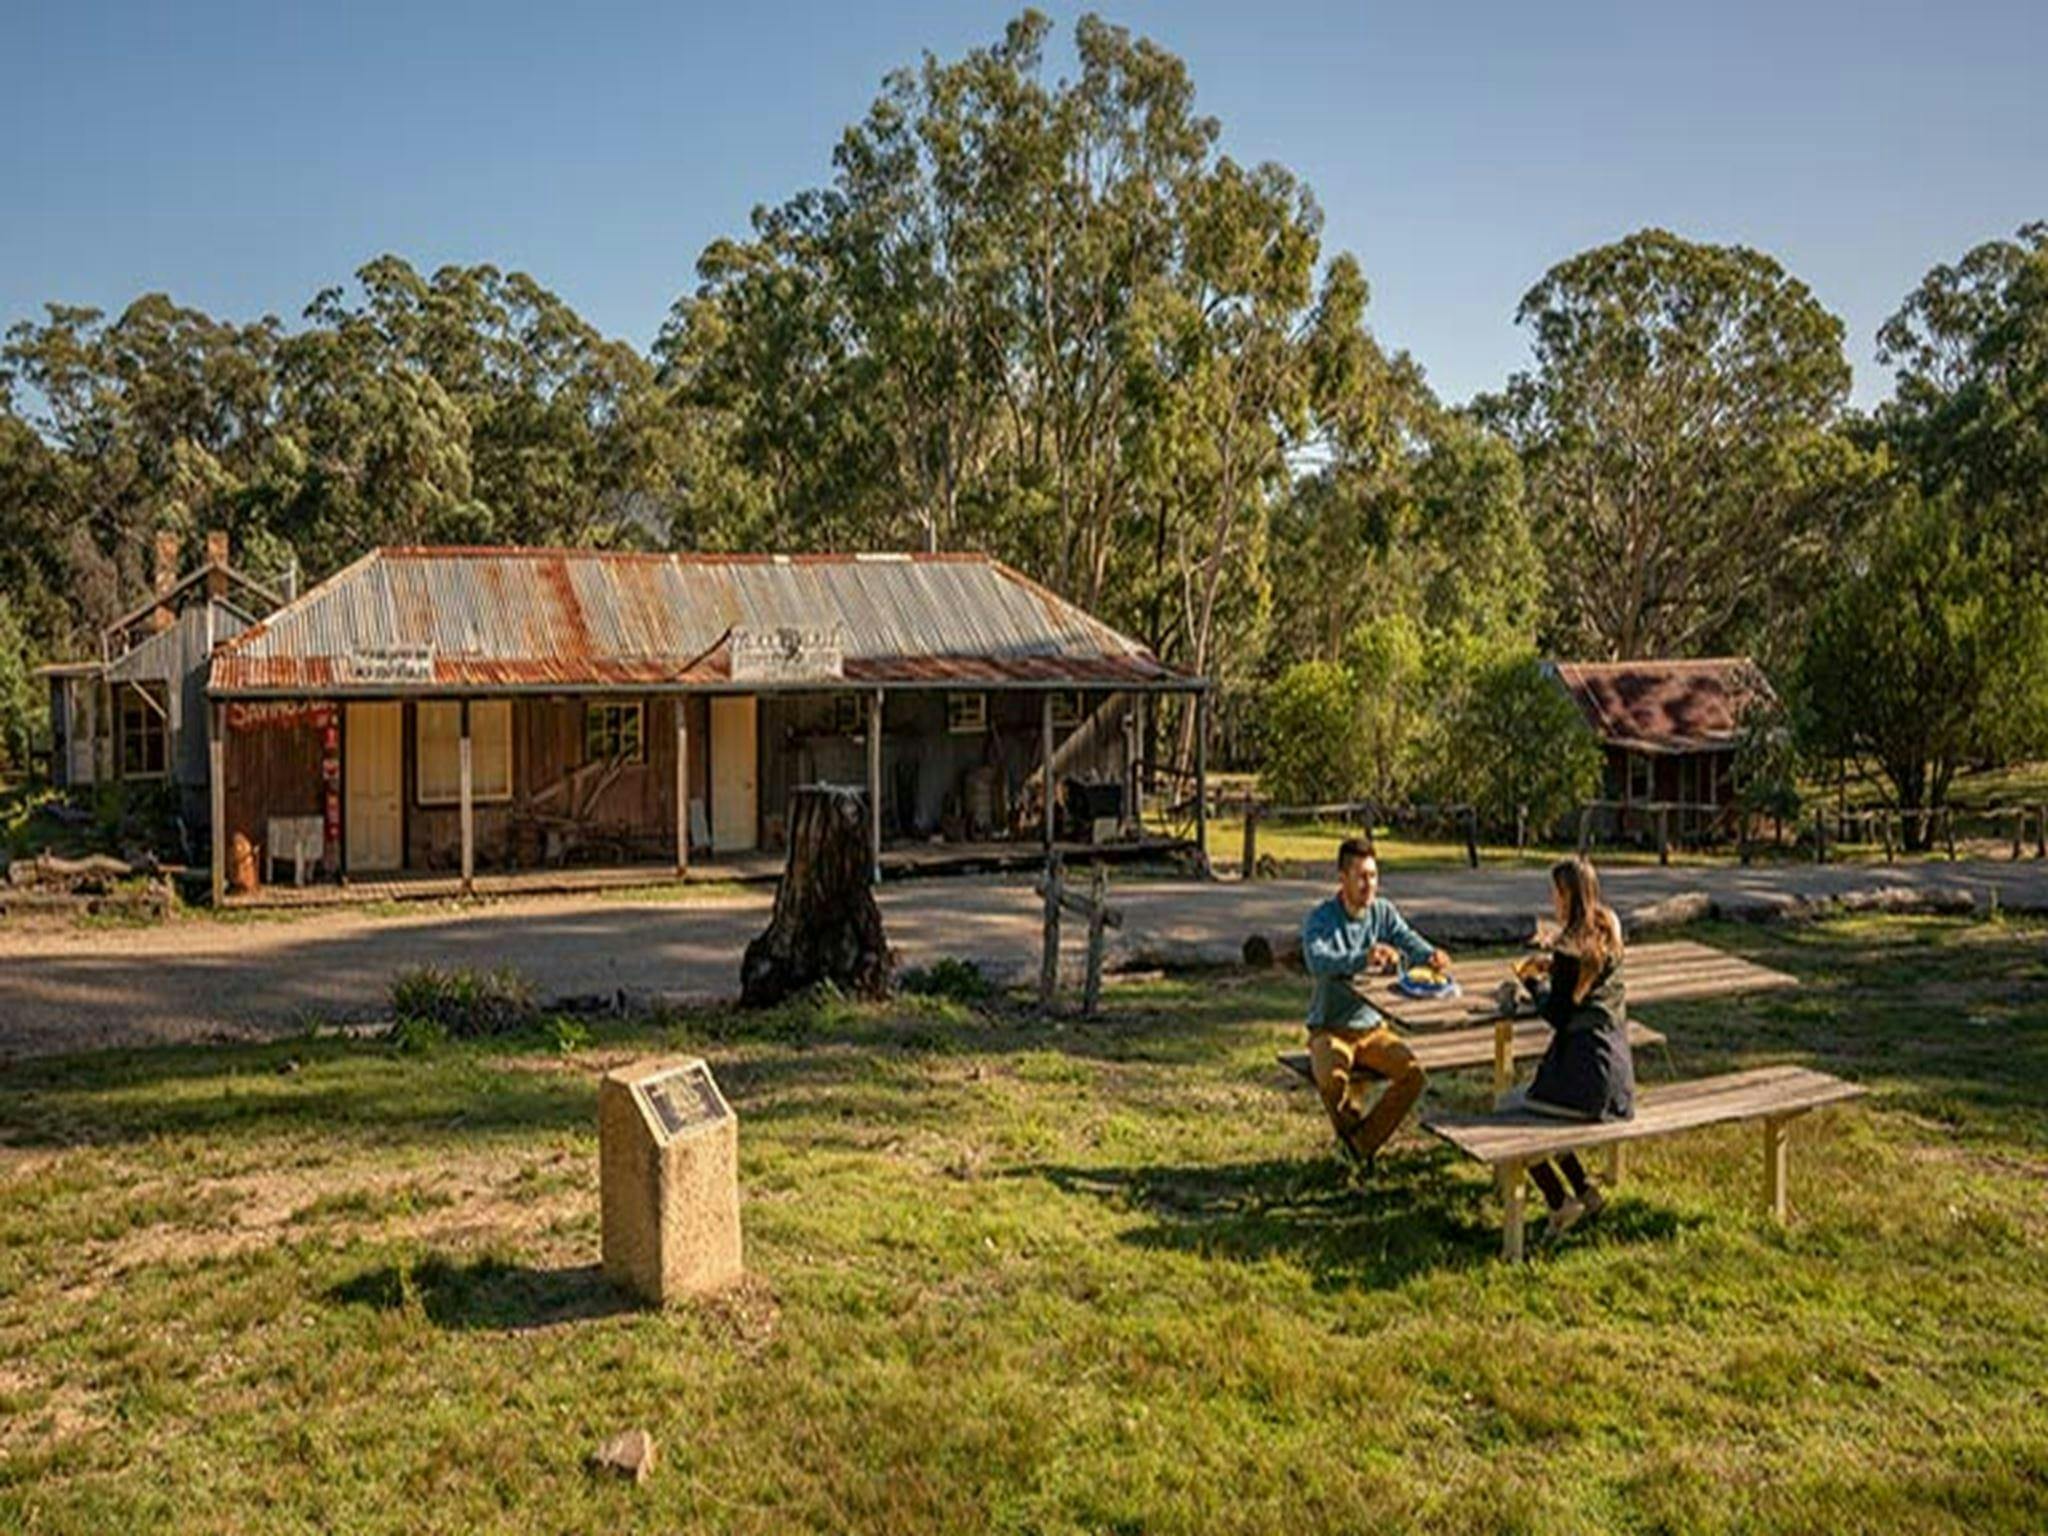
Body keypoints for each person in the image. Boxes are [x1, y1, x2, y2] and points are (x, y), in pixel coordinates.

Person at [1501, 856, 1634, 1240]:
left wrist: (1532, 982)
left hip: (1583, 1079)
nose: (1551, 900)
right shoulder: (1609, 932)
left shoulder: (1569, 947)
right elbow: (1587, 978)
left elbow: (1557, 1015)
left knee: (1509, 1110)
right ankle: (1586, 1191)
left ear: (1566, 896)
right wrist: (1554, 970)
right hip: (1620, 1086)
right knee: (1540, 1111)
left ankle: (1559, 1203)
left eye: (1555, 893)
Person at [1300, 836, 1453, 1166]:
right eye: (1361, 877)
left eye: (1373, 875)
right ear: (1342, 879)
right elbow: (1318, 961)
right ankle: (1356, 1143)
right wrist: (1363, 957)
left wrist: (1431, 955)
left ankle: (1359, 1147)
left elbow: (1407, 938)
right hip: (1330, 1029)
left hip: (1373, 1029)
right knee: (1333, 1085)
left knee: (1413, 1075)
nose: (1369, 884)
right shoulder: (1322, 919)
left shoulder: (1382, 912)